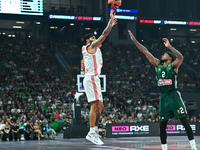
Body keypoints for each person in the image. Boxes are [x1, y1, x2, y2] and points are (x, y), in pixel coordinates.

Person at [128, 30, 197, 150]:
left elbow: (181, 57)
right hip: (164, 97)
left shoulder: (173, 66)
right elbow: (145, 51)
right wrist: (135, 41)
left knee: (184, 121)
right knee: (162, 125)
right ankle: (164, 148)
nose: (162, 55)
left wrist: (170, 46)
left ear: (170, 57)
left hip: (173, 95)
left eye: (165, 54)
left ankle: (193, 147)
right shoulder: (157, 65)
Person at [82, 9, 117, 145]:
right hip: (91, 77)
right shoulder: (90, 47)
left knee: (100, 106)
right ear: (87, 41)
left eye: (93, 37)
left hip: (95, 78)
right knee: (94, 105)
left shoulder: (96, 48)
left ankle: (94, 131)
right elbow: (104, 35)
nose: (94, 38)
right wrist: (110, 23)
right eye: (91, 37)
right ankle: (91, 132)